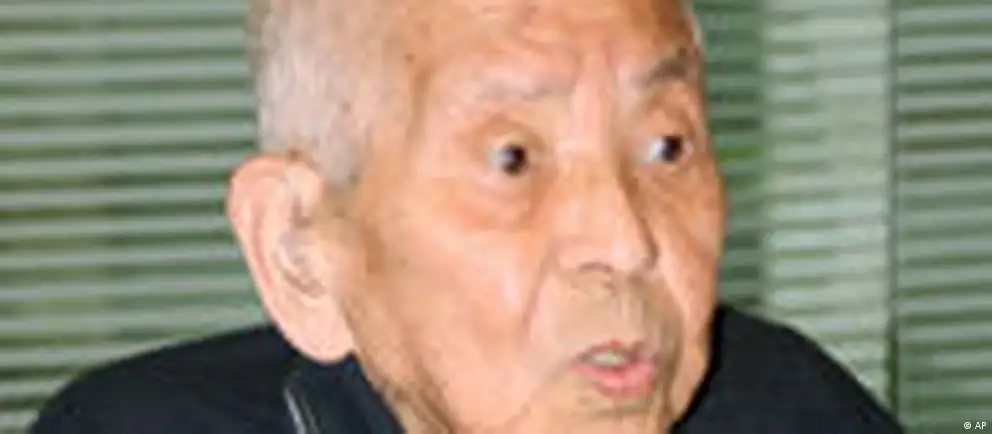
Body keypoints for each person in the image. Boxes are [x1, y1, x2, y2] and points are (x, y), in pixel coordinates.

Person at [31, 0, 905, 433]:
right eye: (514, 159)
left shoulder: (797, 410)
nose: (625, 241)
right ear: (301, 252)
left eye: (667, 147)